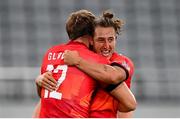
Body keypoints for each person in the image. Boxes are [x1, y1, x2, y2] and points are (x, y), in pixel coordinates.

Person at [34, 9, 136, 118]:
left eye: (110, 40)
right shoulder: (86, 59)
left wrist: (78, 61)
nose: (106, 46)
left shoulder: (121, 61)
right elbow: (51, 97)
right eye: (101, 40)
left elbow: (126, 99)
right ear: (92, 39)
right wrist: (39, 81)